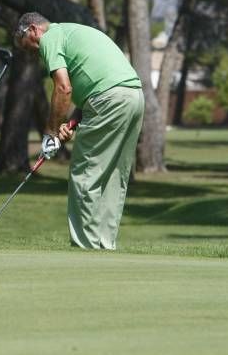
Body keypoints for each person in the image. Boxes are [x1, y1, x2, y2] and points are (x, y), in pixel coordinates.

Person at [13, 12, 144, 250]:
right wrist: (71, 122)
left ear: (33, 30)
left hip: (108, 98)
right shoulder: (71, 31)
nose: (34, 54)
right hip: (134, 96)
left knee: (86, 173)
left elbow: (63, 88)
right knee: (114, 176)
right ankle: (104, 245)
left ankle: (86, 247)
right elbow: (88, 87)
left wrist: (51, 133)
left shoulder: (50, 37)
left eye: (30, 48)